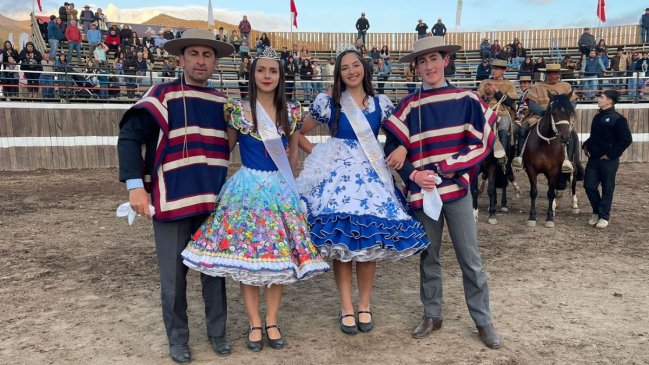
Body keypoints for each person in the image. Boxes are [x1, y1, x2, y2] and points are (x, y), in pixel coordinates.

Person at [182, 48, 329, 352]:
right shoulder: (237, 110)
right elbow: (225, 148)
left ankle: (272, 320)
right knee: (247, 259)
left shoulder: (291, 111)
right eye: (261, 70)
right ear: (253, 74)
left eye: (272, 71)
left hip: (279, 190)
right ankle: (253, 322)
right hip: (246, 189)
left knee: (278, 258)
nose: (266, 76)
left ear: (279, 76)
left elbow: (292, 155)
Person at [117, 29, 235, 364]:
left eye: (208, 54)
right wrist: (134, 185)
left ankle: (218, 333)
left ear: (215, 62)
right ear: (180, 59)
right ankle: (178, 339)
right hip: (171, 201)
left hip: (212, 202)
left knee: (213, 272)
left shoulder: (224, 103)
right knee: (173, 279)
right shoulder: (161, 95)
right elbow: (128, 137)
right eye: (194, 53)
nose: (201, 60)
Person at [297, 46, 429, 336]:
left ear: (364, 68)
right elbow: (298, 131)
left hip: (371, 179)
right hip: (337, 181)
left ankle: (365, 305)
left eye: (356, 65)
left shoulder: (381, 103)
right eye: (345, 67)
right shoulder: (329, 101)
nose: (351, 71)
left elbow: (400, 135)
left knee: (367, 246)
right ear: (339, 73)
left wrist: (404, 149)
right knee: (342, 247)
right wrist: (319, 153)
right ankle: (346, 307)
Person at [382, 36, 501, 349]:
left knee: (469, 258)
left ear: (446, 60)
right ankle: (432, 313)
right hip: (423, 193)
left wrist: (449, 166)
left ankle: (482, 319)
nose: (428, 66)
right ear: (416, 68)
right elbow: (394, 148)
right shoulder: (409, 105)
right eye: (422, 61)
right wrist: (413, 174)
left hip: (456, 191)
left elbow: (484, 139)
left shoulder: (466, 99)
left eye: (433, 58)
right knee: (428, 256)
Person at [512, 64, 578, 172]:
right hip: (539, 116)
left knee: (572, 134)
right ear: (547, 74)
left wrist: (564, 111)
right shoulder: (536, 86)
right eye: (553, 73)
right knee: (523, 130)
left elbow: (573, 103)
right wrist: (546, 112)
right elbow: (532, 104)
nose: (556, 75)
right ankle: (521, 157)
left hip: (560, 117)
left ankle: (569, 161)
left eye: (558, 73)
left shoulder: (566, 86)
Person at [582, 90, 632, 229]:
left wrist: (610, 154)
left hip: (609, 161)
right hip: (594, 159)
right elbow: (595, 136)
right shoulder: (597, 117)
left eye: (602, 97)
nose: (599, 99)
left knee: (607, 188)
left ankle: (604, 216)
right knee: (589, 186)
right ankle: (597, 211)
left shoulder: (618, 119)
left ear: (609, 101)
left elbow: (626, 140)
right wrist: (586, 145)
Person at [477, 58, 518, 162]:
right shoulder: (485, 82)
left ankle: (502, 157)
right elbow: (478, 100)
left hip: (503, 113)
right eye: (493, 68)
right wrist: (485, 96)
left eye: (497, 69)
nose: (493, 71)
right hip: (486, 113)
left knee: (503, 128)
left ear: (503, 71)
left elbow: (509, 102)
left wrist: (496, 91)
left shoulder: (509, 84)